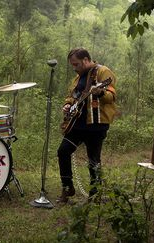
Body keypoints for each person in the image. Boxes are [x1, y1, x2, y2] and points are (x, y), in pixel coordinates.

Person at [57, 47, 117, 203]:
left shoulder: (103, 72)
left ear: (85, 60)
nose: (74, 68)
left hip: (96, 126)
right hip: (77, 124)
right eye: (72, 65)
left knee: (93, 161)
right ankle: (67, 187)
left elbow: (111, 96)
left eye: (76, 64)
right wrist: (67, 105)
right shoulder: (78, 78)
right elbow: (72, 96)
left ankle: (94, 196)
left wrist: (100, 93)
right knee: (63, 151)